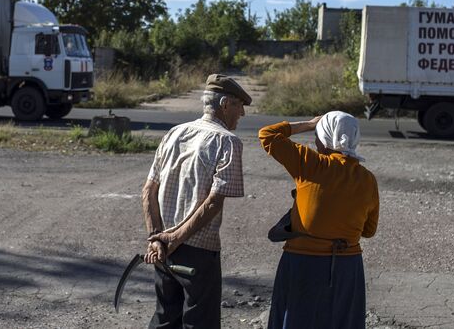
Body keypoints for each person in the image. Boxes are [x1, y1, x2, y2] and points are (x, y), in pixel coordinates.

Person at [141, 73, 252, 329]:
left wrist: (157, 238)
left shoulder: (174, 133)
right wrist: (174, 239)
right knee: (200, 322)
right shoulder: (228, 142)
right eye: (239, 106)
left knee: (165, 318)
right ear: (225, 104)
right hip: (198, 250)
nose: (242, 114)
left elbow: (148, 190)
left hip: (162, 247)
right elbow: (214, 203)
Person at [258, 111, 379, 329]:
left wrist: (309, 123)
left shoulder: (310, 163)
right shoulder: (368, 179)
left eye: (317, 135)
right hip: (347, 267)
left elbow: (267, 135)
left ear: (326, 138)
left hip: (303, 262)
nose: (314, 141)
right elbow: (369, 230)